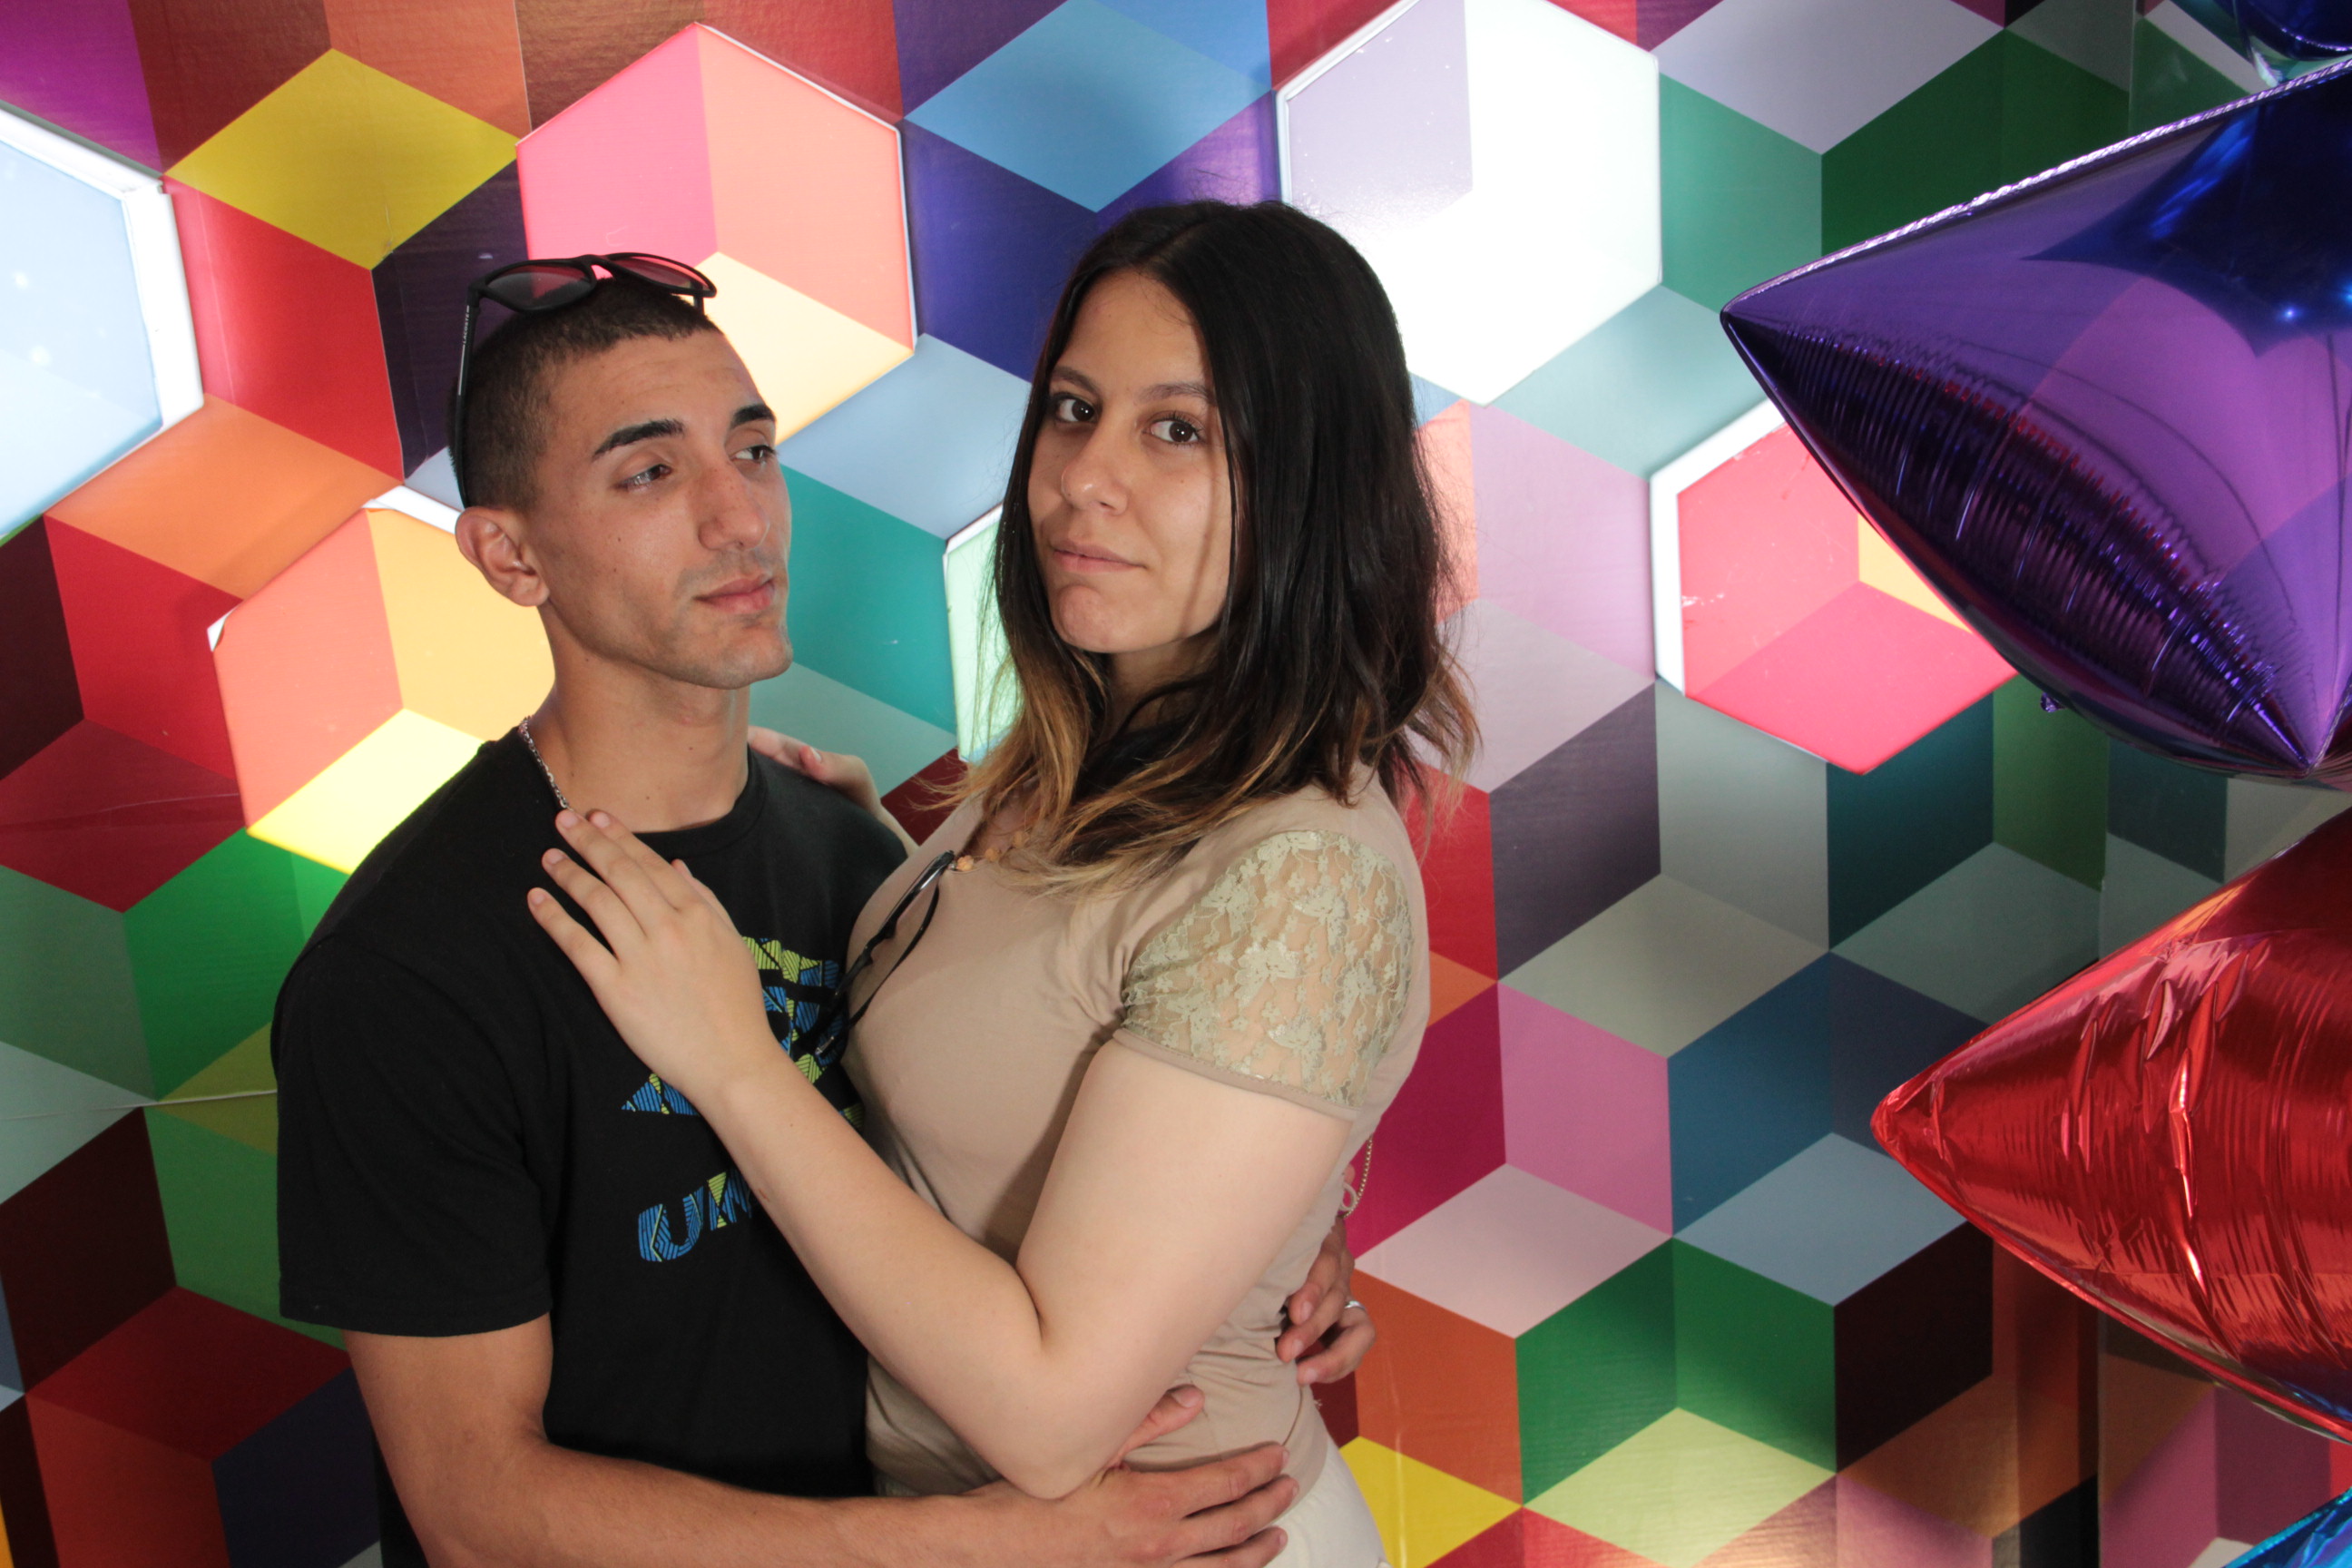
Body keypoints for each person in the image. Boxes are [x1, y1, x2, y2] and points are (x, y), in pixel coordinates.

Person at [271, 256, 1375, 1568]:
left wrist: (1261, 1238)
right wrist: (964, 1546)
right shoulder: (411, 969)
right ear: (511, 555)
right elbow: (473, 1513)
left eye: (752, 451)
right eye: (650, 472)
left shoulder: (856, 853)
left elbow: (1087, 1075)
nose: (738, 517)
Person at [525, 202, 1477, 1566]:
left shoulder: (1301, 874)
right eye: (1075, 411)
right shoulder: (1084, 748)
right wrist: (895, 872)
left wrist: (733, 1061)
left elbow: (1049, 1418)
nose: (1085, 478)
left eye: (1178, 431)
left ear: (1312, 482)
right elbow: (1047, 1032)